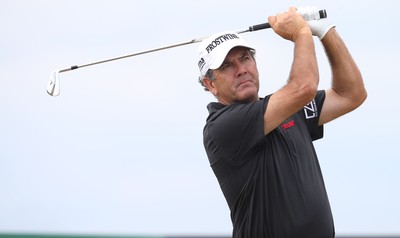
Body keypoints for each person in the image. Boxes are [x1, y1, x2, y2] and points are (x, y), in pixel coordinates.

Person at [197, 6, 367, 238]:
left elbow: (351, 94)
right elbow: (304, 87)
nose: (241, 70)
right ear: (210, 84)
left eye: (245, 58)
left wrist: (326, 32)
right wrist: (301, 34)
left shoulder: (288, 109)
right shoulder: (222, 126)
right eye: (227, 66)